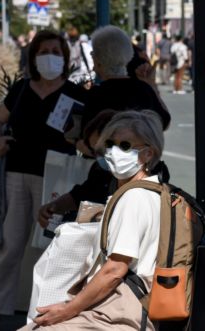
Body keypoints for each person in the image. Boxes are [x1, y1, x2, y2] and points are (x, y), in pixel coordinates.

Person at [21, 110, 165, 330]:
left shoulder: (134, 197)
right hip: (123, 307)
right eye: (110, 144)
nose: (115, 152)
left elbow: (114, 270)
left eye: (125, 145)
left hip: (118, 311)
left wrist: (67, 310)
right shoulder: (153, 192)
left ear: (148, 154)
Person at [0, 30, 87, 331]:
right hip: (16, 173)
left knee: (51, 248)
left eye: (56, 51)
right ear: (33, 56)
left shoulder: (77, 94)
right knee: (11, 245)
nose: (50, 56)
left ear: (65, 57)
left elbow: (88, 135)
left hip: (56, 180)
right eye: (43, 51)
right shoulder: (20, 89)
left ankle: (43, 316)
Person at [80, 26, 171, 152]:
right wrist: (151, 84)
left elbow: (88, 140)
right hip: (142, 165)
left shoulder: (96, 95)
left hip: (106, 168)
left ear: (99, 61)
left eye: (93, 54)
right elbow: (164, 121)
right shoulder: (144, 88)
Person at [37, 109, 117, 228]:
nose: (100, 157)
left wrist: (87, 217)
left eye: (103, 150)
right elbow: (80, 194)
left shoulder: (140, 176)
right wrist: (54, 207)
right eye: (95, 152)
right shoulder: (100, 170)